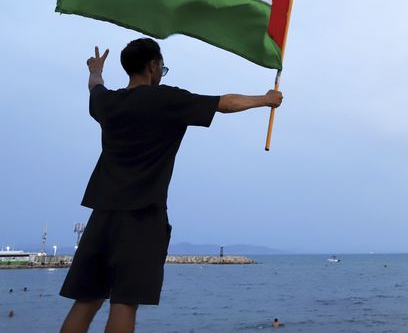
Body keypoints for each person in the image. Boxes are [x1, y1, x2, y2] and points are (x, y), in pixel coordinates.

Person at [59, 38, 283, 333]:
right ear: (153, 66)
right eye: (162, 68)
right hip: (143, 216)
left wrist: (96, 69)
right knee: (124, 302)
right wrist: (265, 99)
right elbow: (224, 103)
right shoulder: (166, 99)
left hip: (102, 214)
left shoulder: (107, 103)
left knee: (86, 300)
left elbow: (95, 86)